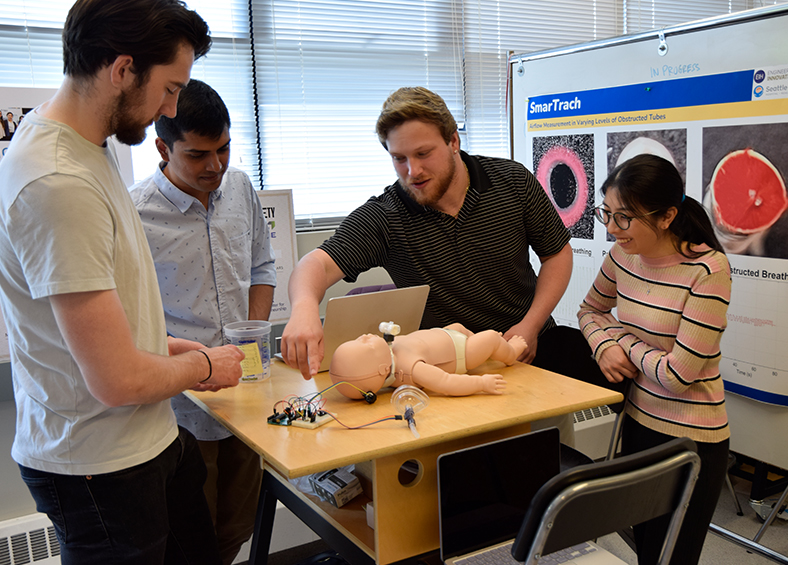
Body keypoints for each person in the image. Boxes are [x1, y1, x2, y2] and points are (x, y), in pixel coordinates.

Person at [0, 1, 246, 563]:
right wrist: (205, 366)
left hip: (148, 437)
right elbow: (113, 379)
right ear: (122, 70)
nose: (172, 106)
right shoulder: (57, 180)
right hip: (97, 463)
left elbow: (92, 333)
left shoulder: (90, 144)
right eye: (169, 88)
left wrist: (162, 347)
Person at [281, 87, 606, 396]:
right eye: (399, 158)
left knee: (545, 447)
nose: (413, 171)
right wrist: (304, 309)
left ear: (453, 140)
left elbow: (557, 254)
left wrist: (530, 325)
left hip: (530, 348)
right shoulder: (385, 216)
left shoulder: (512, 182)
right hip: (449, 370)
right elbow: (317, 265)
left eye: (424, 153)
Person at [131, 78, 276, 565]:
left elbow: (261, 268)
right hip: (180, 408)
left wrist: (254, 337)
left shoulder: (238, 186)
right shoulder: (134, 215)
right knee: (188, 537)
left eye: (224, 149)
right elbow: (131, 320)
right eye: (197, 155)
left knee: (237, 523)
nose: (215, 165)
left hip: (245, 392)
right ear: (162, 148)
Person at [577, 154, 731, 565]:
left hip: (692, 438)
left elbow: (679, 375)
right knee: (645, 550)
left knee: (672, 556)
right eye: (606, 213)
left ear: (666, 217)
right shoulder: (622, 257)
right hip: (639, 423)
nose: (611, 229)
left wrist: (621, 340)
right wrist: (603, 346)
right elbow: (589, 310)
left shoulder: (707, 269)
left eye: (624, 218)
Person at [329, 323, 526, 399]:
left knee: (463, 329)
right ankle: (510, 353)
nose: (363, 335)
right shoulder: (411, 370)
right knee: (490, 337)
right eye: (365, 344)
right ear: (382, 369)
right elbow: (446, 383)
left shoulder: (389, 351)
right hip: (461, 353)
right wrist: (481, 383)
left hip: (449, 333)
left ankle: (491, 348)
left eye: (357, 339)